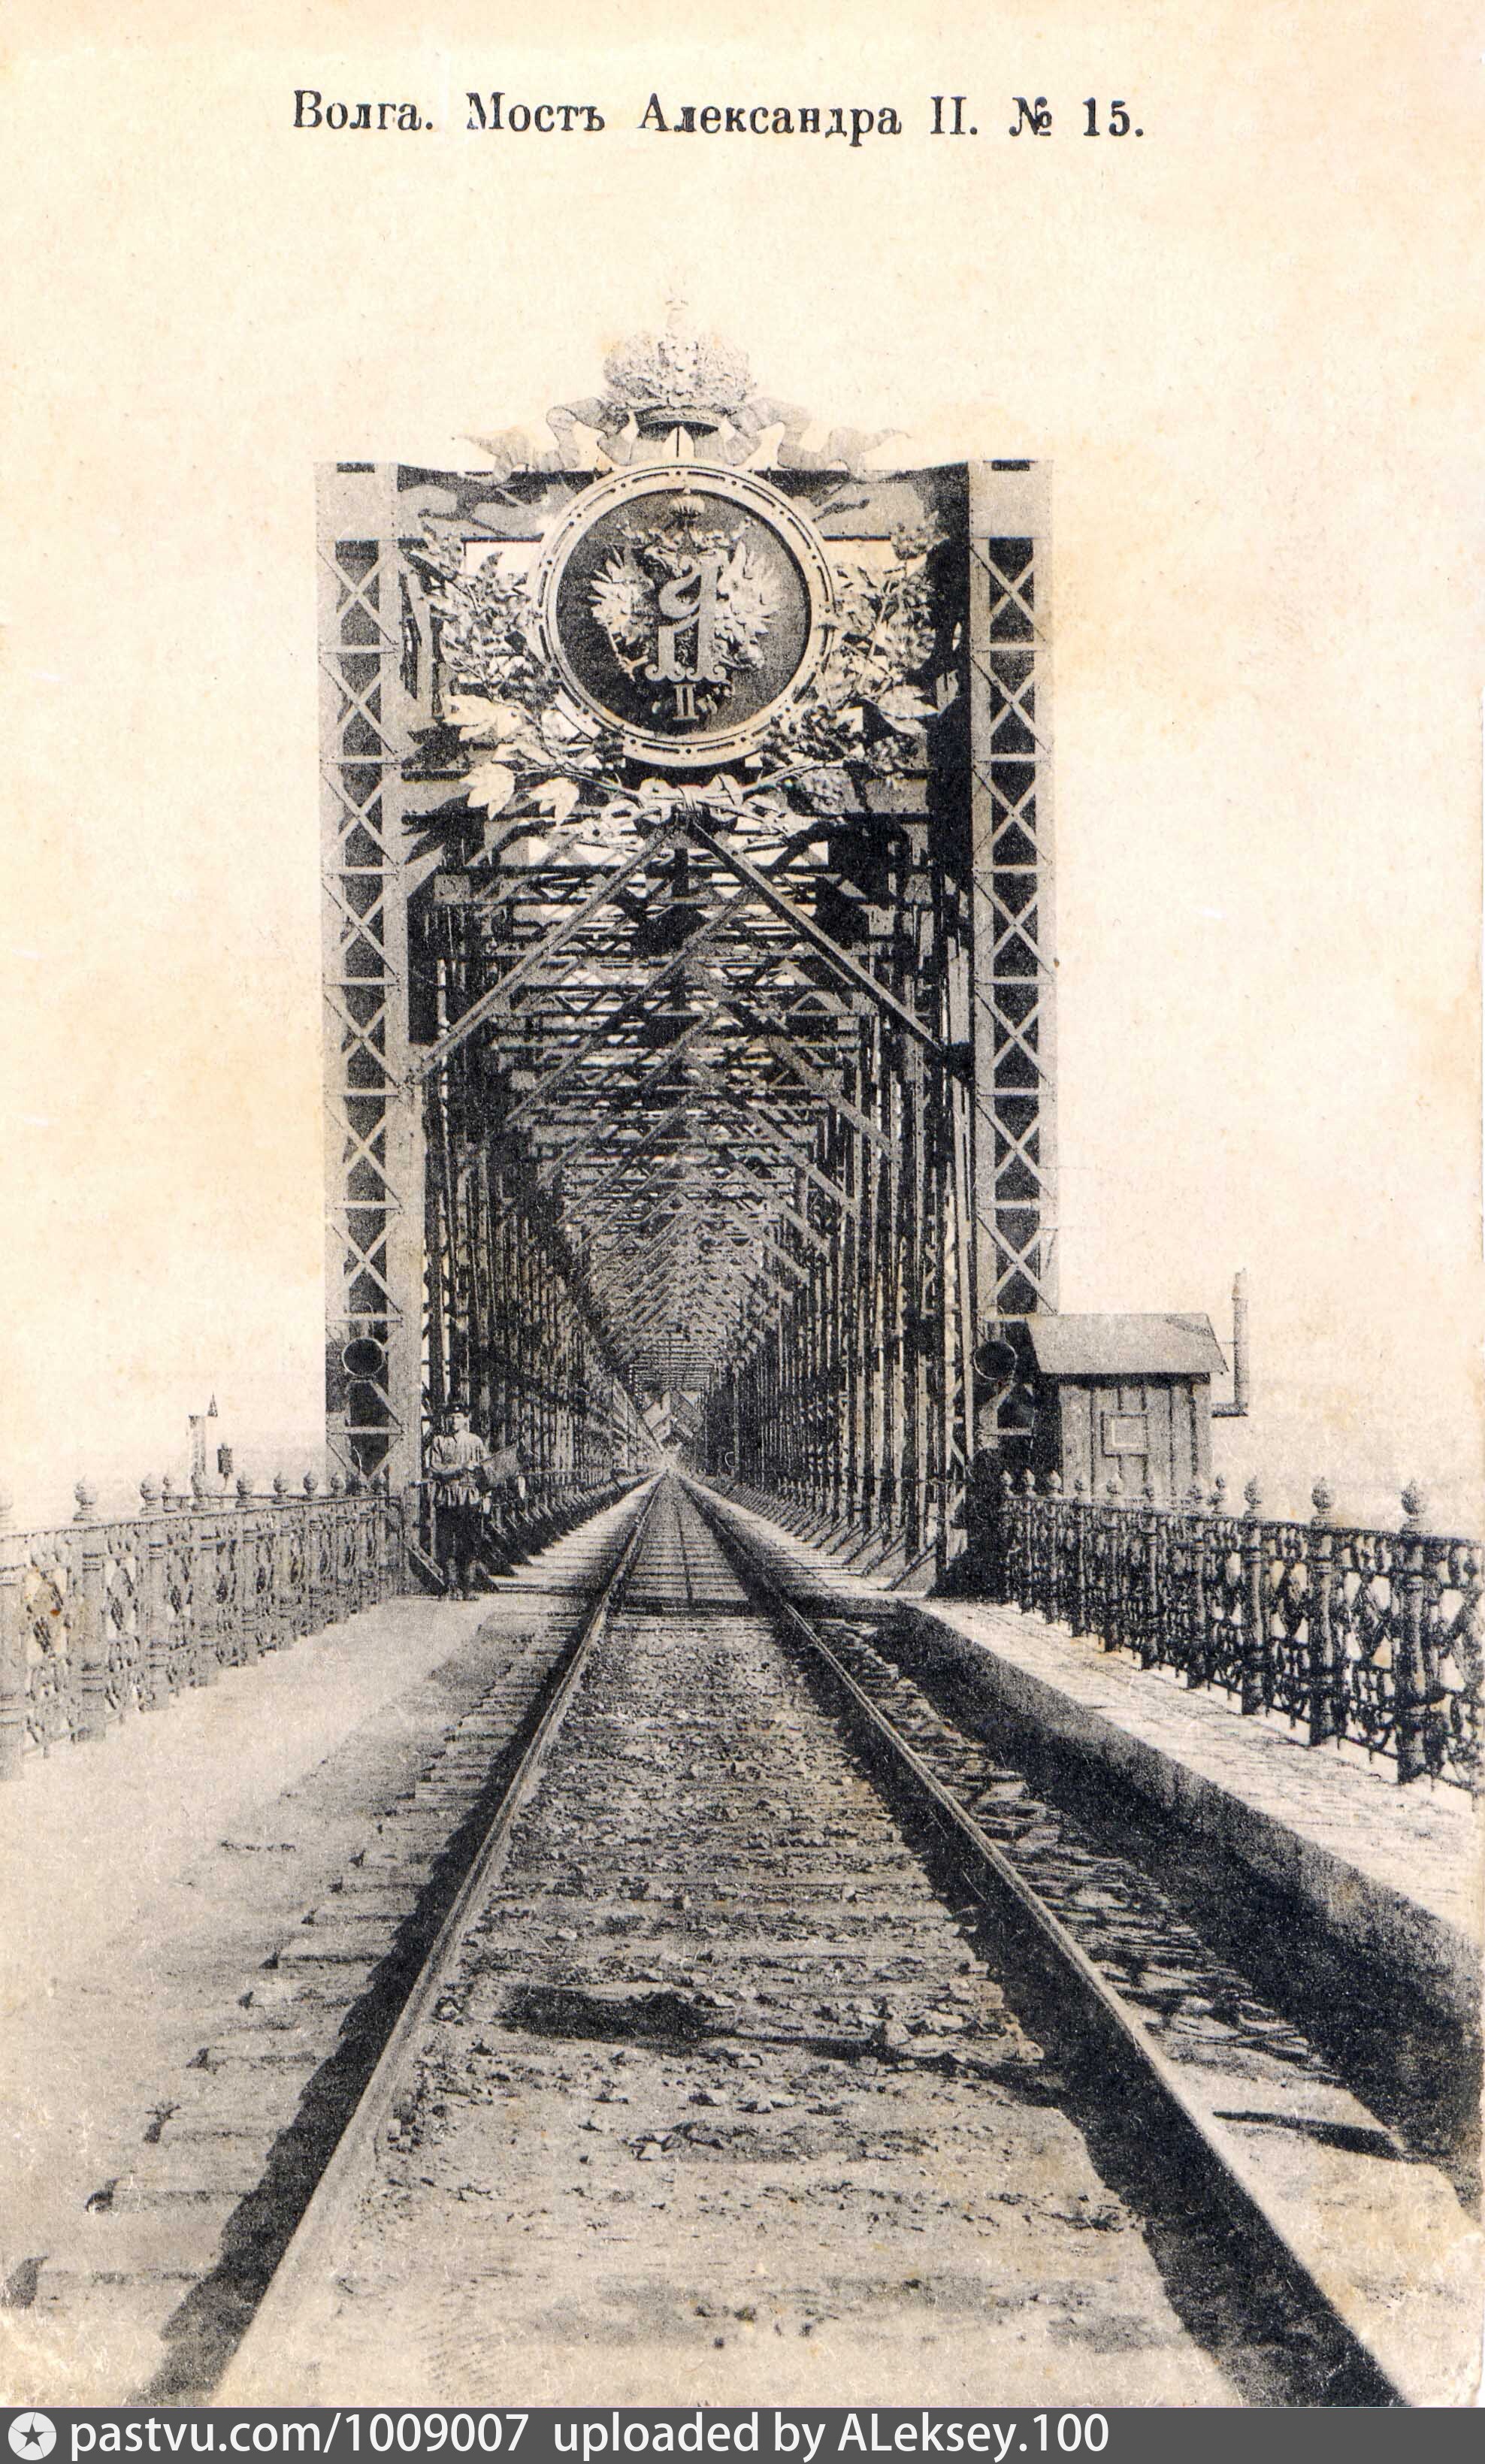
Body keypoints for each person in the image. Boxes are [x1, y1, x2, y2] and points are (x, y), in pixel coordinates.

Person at [427, 1401, 493, 1598]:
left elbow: (487, 1472)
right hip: (447, 1497)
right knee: (446, 1542)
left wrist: (487, 1496)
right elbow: (435, 1469)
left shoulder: (475, 1442)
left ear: (466, 1419)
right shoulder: (439, 1441)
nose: (454, 1421)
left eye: (458, 1417)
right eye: (451, 1417)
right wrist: (461, 1467)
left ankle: (468, 1587)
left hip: (469, 1497)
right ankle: (450, 1586)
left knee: (469, 1541)